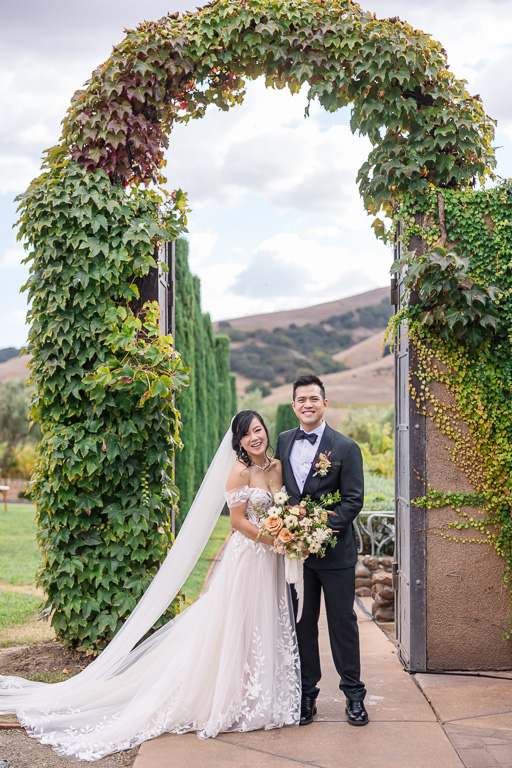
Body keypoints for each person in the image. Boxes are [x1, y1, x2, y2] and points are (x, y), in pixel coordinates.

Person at [0, 410, 300, 761]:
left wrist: (289, 534)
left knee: (265, 622)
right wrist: (274, 538)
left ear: (266, 431)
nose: (255, 438)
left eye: (258, 430)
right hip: (249, 557)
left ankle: (264, 695)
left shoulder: (278, 467)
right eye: (247, 434)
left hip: (272, 560)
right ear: (239, 441)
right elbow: (237, 522)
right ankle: (234, 697)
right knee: (239, 622)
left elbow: (285, 507)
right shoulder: (239, 472)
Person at [275, 374, 368, 727]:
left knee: (343, 624)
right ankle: (306, 696)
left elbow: (353, 501)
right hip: (296, 558)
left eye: (314, 398)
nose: (308, 404)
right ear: (294, 404)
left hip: (336, 555)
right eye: (301, 399)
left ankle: (354, 697)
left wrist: (315, 528)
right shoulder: (284, 441)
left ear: (324, 403)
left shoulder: (345, 448)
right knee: (302, 625)